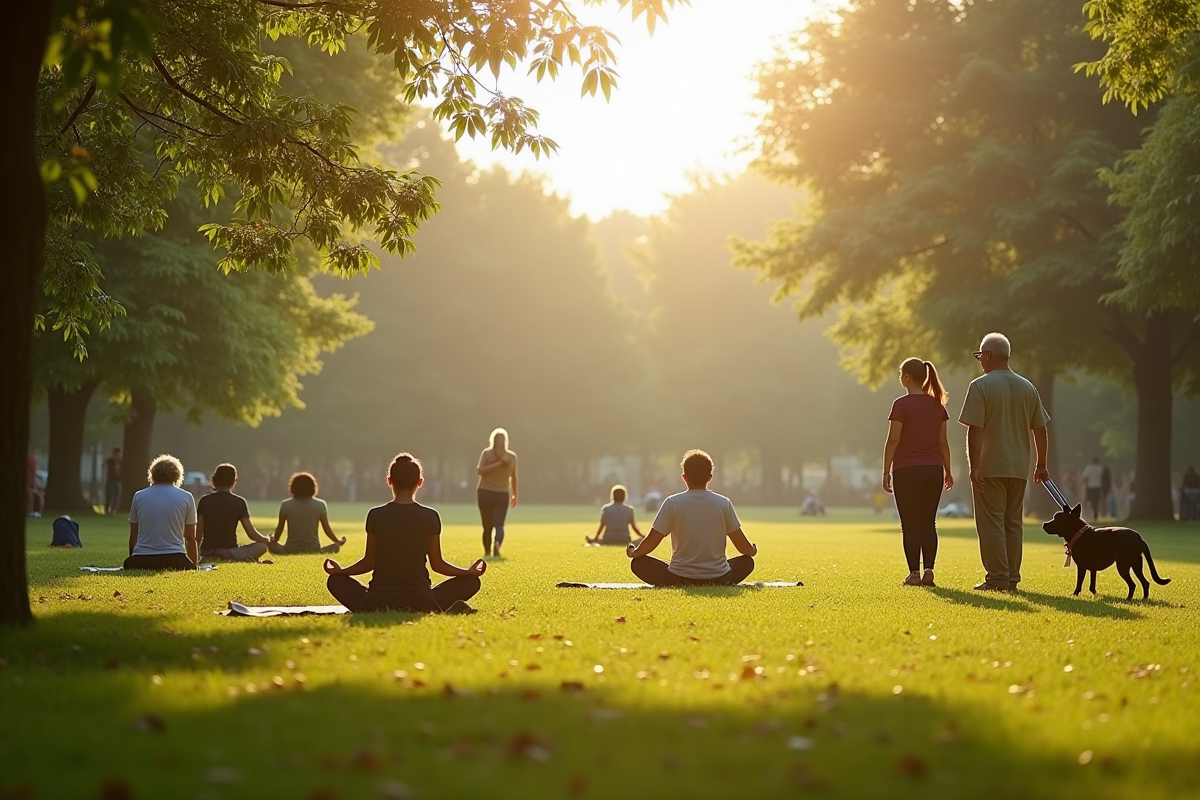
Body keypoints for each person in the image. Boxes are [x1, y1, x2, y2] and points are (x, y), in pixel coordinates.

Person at [325, 453, 486, 613]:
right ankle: (434, 607)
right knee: (471, 582)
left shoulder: (375, 515)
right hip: (421, 601)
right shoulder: (431, 516)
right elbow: (437, 565)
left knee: (335, 581)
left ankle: (365, 607)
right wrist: (468, 572)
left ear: (389, 481)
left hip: (377, 600)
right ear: (420, 482)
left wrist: (341, 571)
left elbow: (369, 562)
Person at [959, 333, 1050, 592]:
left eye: (980, 356)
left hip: (991, 465)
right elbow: (1040, 429)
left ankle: (997, 578)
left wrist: (974, 467)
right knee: (1013, 522)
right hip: (1019, 466)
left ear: (988, 355)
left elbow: (975, 430)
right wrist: (1041, 464)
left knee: (991, 523)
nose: (980, 361)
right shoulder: (1028, 387)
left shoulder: (980, 386)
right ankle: (1011, 577)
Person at [625, 450, 757, 586]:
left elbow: (652, 540)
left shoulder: (672, 502)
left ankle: (680, 580)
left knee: (638, 563)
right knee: (747, 562)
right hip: (719, 577)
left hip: (678, 577)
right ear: (710, 477)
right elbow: (742, 546)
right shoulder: (723, 503)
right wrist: (752, 550)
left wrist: (635, 552)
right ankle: (717, 579)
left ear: (684, 477)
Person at [882, 357, 953, 587]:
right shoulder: (938, 405)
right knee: (928, 523)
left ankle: (914, 573)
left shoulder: (900, 404)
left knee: (910, 524)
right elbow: (943, 443)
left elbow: (894, 439)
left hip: (906, 470)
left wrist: (886, 471)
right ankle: (929, 570)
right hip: (933, 469)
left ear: (906, 377)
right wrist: (948, 471)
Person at [124, 454, 198, 570]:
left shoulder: (139, 496)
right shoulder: (187, 497)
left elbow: (134, 535)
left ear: (153, 473)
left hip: (142, 559)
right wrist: (194, 565)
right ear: (177, 474)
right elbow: (190, 537)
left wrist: (134, 560)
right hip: (175, 558)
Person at [197, 463, 270, 562]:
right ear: (234, 481)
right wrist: (267, 540)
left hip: (208, 550)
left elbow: (198, 534)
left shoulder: (204, 501)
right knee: (262, 547)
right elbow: (252, 534)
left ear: (215, 480)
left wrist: (196, 553)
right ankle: (229, 555)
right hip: (231, 550)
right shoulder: (239, 502)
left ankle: (219, 554)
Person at [269, 472, 346, 555]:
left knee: (269, 544)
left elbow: (280, 528)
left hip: (290, 549)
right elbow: (326, 529)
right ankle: (324, 550)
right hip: (314, 549)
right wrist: (337, 541)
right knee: (335, 547)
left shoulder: (286, 505)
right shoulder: (320, 504)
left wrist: (274, 540)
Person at [476, 427, 518, 557]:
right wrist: (514, 494)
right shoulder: (512, 457)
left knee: (487, 526)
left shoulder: (487, 454)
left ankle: (487, 552)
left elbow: (480, 471)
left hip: (485, 492)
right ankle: (497, 543)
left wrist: (495, 464)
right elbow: (514, 477)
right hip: (502, 493)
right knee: (499, 524)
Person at [104, 447, 123, 516]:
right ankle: (106, 510)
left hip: (117, 481)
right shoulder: (110, 461)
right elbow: (106, 469)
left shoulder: (122, 462)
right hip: (110, 480)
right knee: (108, 495)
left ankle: (112, 510)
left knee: (116, 496)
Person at [26, 453, 43, 518]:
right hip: (28, 489)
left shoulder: (32, 475)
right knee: (30, 495)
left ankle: (39, 513)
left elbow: (33, 484)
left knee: (40, 495)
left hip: (30, 489)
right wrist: (33, 490)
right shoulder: (27, 473)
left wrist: (35, 489)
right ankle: (29, 511)